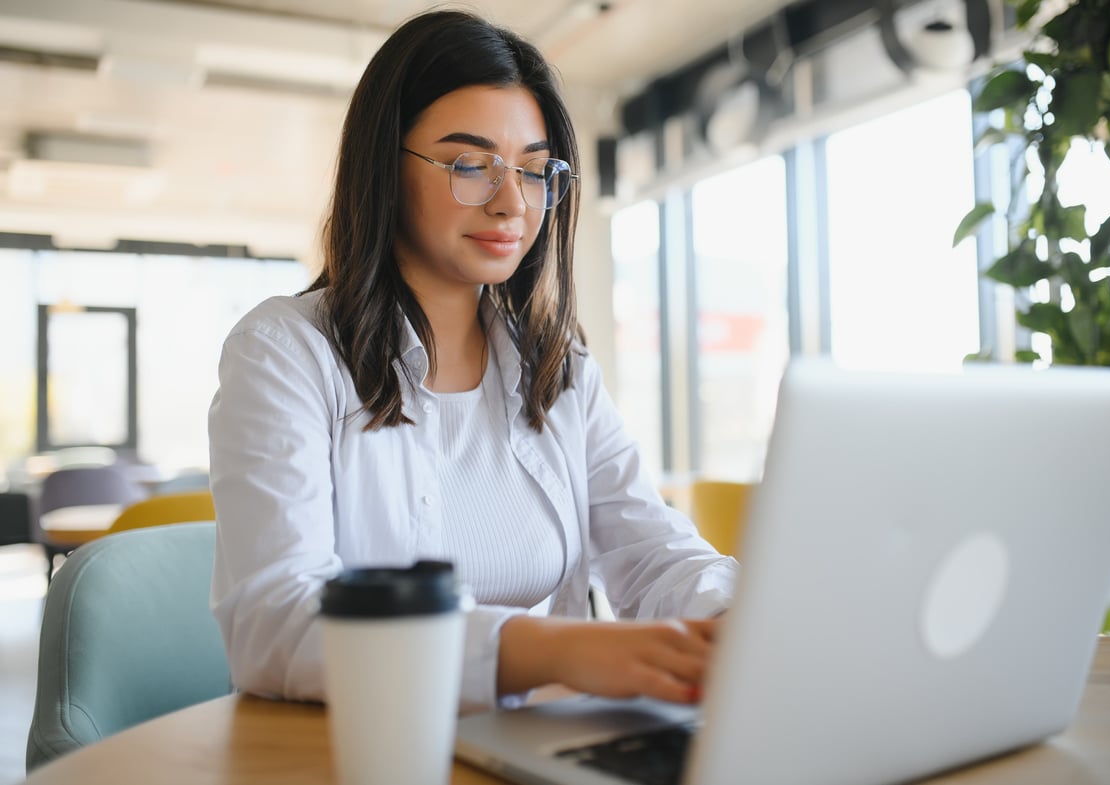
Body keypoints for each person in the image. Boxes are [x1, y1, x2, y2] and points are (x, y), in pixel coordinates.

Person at [208, 8, 739, 714]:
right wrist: (557, 649)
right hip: (366, 750)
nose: (511, 202)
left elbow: (651, 551)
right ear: (384, 166)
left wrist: (746, 617)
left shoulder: (559, 365)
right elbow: (276, 624)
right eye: (470, 165)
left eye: (533, 169)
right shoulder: (285, 352)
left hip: (534, 742)